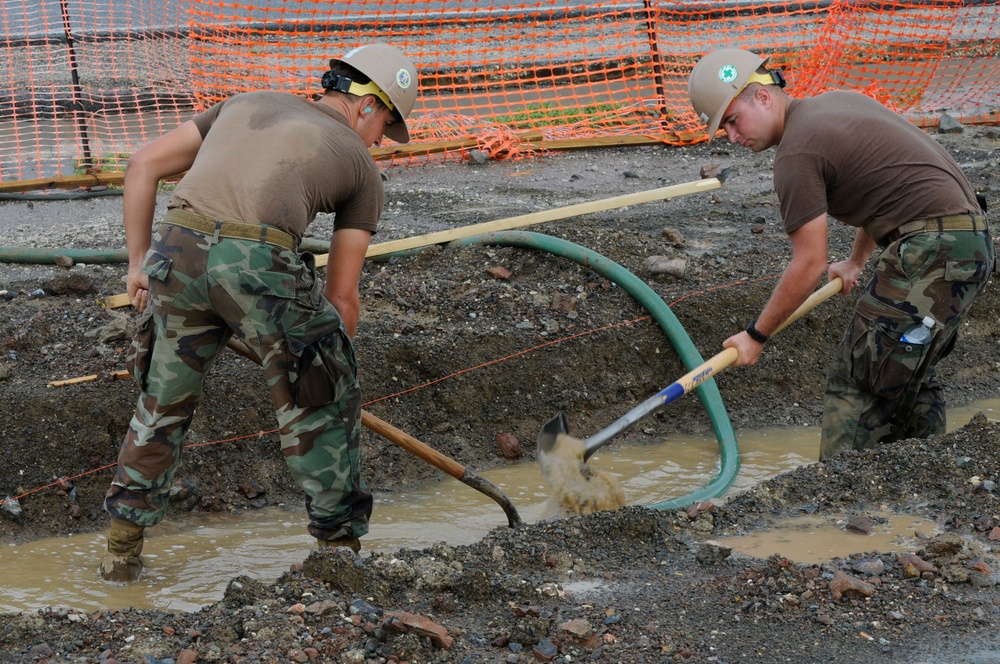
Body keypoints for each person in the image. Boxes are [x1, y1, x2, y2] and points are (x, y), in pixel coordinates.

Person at [100, 43, 418, 582]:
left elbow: (143, 165)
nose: (379, 141)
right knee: (321, 399)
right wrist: (326, 368)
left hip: (176, 250)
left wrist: (137, 265)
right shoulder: (360, 168)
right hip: (260, 261)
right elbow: (343, 297)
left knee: (162, 402)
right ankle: (338, 552)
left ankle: (121, 551)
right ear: (367, 105)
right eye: (385, 125)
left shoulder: (244, 101)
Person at [687, 48, 993, 462]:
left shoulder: (796, 153)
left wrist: (755, 336)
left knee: (858, 381)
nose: (733, 138)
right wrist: (855, 261)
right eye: (724, 130)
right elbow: (886, 189)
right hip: (969, 243)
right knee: (906, 372)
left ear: (761, 97)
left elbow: (809, 262)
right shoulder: (837, 103)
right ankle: (921, 480)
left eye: (731, 122)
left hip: (933, 251)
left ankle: (834, 495)